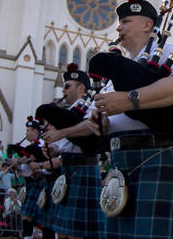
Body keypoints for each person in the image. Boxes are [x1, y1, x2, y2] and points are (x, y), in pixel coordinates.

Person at [87, 0, 173, 238]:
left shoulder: (164, 53)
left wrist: (129, 100)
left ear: (147, 24)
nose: (118, 29)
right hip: (120, 162)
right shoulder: (116, 72)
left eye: (126, 22)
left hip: (154, 157)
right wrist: (100, 122)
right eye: (119, 23)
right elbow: (107, 120)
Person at [41, 64, 105, 239]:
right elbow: (62, 145)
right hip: (67, 171)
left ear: (81, 88)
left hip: (84, 168)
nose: (64, 90)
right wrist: (52, 149)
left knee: (77, 233)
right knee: (61, 231)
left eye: (68, 86)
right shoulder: (67, 112)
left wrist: (60, 132)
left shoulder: (92, 106)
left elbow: (93, 126)